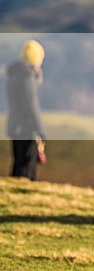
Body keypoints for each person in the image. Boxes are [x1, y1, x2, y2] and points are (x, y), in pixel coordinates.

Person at [6, 39, 47, 181]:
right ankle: (24, 194)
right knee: (27, 166)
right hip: (26, 128)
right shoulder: (27, 78)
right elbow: (31, 107)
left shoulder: (14, 75)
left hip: (15, 126)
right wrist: (40, 131)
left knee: (18, 162)